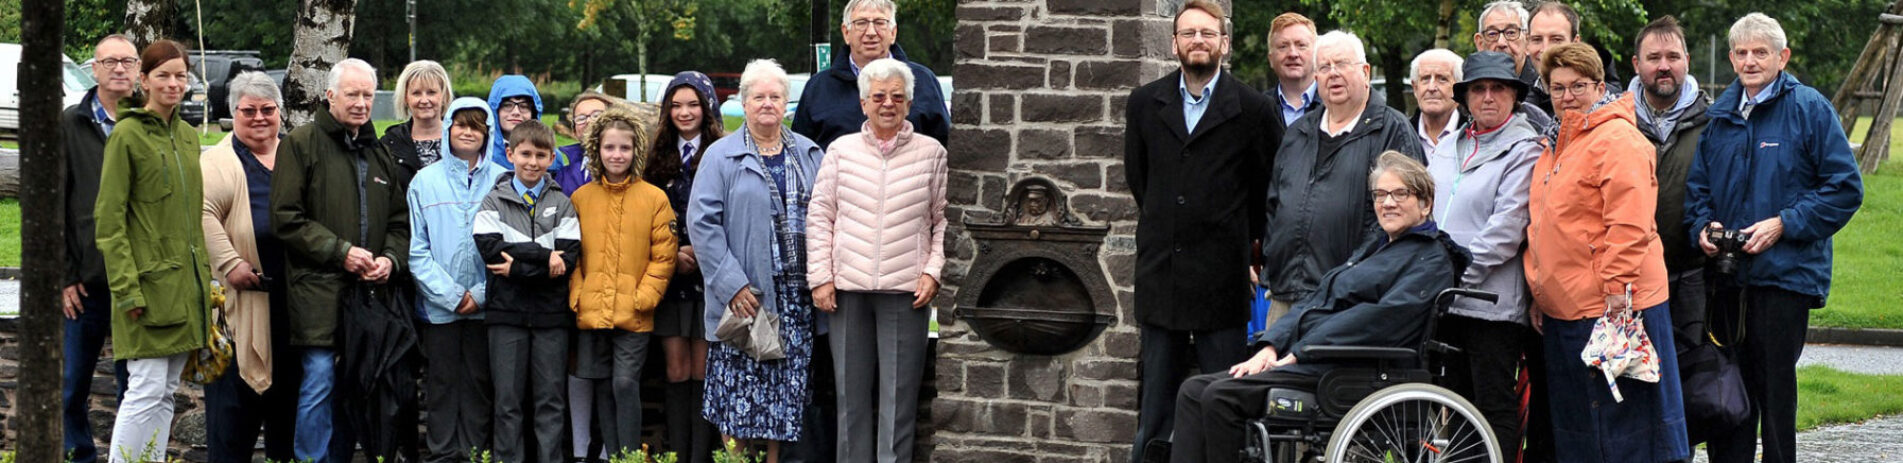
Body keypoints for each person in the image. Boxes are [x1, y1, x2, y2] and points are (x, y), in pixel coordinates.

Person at [1172, 151, 1468, 463]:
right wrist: (1271, 346)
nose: (1387, 202)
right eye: (1380, 194)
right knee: (1193, 390)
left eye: (1400, 193)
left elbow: (1379, 320)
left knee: (1221, 396)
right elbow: (1317, 300)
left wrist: (1302, 349)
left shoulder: (1431, 259)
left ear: (1425, 204)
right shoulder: (1376, 246)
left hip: (1352, 367)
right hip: (1317, 357)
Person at [1687, 13, 1865, 463]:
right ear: (1730, 59)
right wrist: (1703, 229)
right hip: (1727, 280)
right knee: (1729, 396)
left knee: (1775, 395)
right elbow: (1698, 191)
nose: (1750, 61)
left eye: (1760, 52)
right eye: (1742, 53)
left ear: (1782, 57)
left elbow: (1845, 188)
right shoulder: (1719, 116)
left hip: (1784, 279)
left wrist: (1784, 223)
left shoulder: (1809, 108)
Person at [1120, 1, 1278, 459]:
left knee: (1225, 396)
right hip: (1161, 273)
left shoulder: (1252, 108)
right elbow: (1141, 180)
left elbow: (1265, 191)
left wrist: (1244, 249)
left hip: (1221, 278)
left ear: (1224, 43)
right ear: (1174, 44)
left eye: (1208, 33)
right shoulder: (1146, 103)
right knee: (1156, 403)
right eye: (1188, 33)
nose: (1198, 41)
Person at [1525, 42, 1689, 463]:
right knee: (1584, 432)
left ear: (1600, 86)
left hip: (1614, 305)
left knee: (1626, 433)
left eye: (1578, 86)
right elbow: (1546, 224)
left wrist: (1617, 288)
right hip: (1568, 308)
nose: (1566, 96)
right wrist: (1541, 292)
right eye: (1557, 88)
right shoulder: (1556, 143)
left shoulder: (1617, 138)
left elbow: (1630, 222)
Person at [805, 58, 949, 463]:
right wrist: (820, 277)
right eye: (879, 96)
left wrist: (932, 272)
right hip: (846, 291)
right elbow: (820, 216)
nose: (889, 103)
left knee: (899, 399)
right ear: (864, 102)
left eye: (898, 97)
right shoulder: (840, 150)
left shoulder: (932, 154)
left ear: (909, 104)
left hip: (907, 293)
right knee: (850, 396)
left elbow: (944, 221)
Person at [272, 57, 411, 463]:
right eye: (352, 94)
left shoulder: (379, 152)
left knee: (358, 387)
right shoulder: (301, 143)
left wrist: (391, 260)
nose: (361, 103)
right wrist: (341, 252)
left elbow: (400, 224)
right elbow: (286, 219)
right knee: (318, 381)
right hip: (317, 293)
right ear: (330, 95)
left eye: (368, 95)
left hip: (370, 297)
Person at [689, 59, 826, 463]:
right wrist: (732, 284)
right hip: (744, 295)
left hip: (795, 298)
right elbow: (702, 225)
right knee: (737, 394)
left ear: (787, 103)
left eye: (775, 96)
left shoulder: (809, 153)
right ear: (743, 103)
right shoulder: (721, 156)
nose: (767, 103)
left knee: (784, 397)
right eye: (758, 97)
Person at [94, 39, 214, 463]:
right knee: (143, 389)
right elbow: (109, 222)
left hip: (183, 288)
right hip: (145, 290)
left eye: (181, 75)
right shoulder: (125, 136)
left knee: (166, 392)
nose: (173, 83)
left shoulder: (186, 135)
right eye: (163, 75)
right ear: (143, 80)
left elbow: (191, 220)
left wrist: (205, 286)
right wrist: (127, 290)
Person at [1260, 30, 1424, 335]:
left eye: (1341, 64)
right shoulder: (1299, 133)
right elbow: (1275, 204)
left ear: (1364, 72)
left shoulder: (1392, 131)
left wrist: (1351, 277)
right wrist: (1275, 262)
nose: (1332, 74)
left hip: (1349, 303)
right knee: (1274, 381)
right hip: (1285, 298)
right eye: (1324, 67)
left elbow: (1403, 219)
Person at [1425, 51, 1542, 459]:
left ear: (1513, 95)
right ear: (1466, 97)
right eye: (1478, 89)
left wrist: (1455, 276)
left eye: (1498, 88)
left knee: (1493, 406)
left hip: (1491, 305)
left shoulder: (1525, 148)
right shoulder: (1448, 145)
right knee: (1454, 405)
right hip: (1446, 301)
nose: (1488, 97)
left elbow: (1506, 230)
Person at [200, 71, 298, 463]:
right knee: (232, 422)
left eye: (268, 109)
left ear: (280, 112)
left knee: (287, 419)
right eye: (249, 110)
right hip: (238, 309)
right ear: (233, 113)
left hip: (293, 309)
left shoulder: (297, 155)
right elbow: (203, 214)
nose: (259, 117)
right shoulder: (218, 162)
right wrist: (231, 263)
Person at [571, 105, 677, 457]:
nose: (617, 155)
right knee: (602, 385)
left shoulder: (654, 198)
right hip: (592, 310)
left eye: (625, 148)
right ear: (597, 150)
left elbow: (664, 256)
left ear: (637, 151)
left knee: (624, 382)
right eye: (609, 147)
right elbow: (570, 255)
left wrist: (644, 296)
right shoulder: (581, 199)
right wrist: (578, 296)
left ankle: (629, 455)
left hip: (634, 313)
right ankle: (612, 453)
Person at [1626, 18, 1717, 424]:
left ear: (1687, 61)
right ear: (1636, 64)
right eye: (1654, 58)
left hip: (1690, 275)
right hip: (1626, 281)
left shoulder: (1714, 121)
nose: (1664, 66)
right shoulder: (1613, 121)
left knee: (1688, 389)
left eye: (1673, 57)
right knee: (1628, 387)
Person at [407, 96, 505, 463]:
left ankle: (476, 452)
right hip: (439, 309)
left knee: (480, 384)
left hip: (487, 306)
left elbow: (511, 245)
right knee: (442, 384)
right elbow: (417, 249)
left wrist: (479, 294)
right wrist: (450, 295)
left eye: (477, 126)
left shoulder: (502, 180)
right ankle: (442, 453)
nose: (468, 132)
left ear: (488, 133)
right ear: (447, 128)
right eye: (461, 124)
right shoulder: (424, 182)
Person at [475, 120, 580, 463]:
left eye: (540, 155)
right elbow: (491, 250)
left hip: (551, 317)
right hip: (506, 316)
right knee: (507, 402)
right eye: (525, 154)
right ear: (510, 154)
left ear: (552, 157)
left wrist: (518, 266)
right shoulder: (493, 202)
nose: (532, 162)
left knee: (550, 401)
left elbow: (568, 259)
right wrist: (543, 256)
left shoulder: (563, 204)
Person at [59, 33, 136, 463]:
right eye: (110, 62)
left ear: (139, 69)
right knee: (73, 385)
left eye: (128, 61)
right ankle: (80, 455)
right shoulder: (71, 124)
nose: (120, 69)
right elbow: (54, 206)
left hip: (135, 282)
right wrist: (64, 276)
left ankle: (128, 457)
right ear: (95, 69)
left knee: (135, 386)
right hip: (85, 283)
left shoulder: (150, 120)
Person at [648, 70, 726, 463]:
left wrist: (703, 250)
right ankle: (678, 454)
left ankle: (702, 454)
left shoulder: (723, 152)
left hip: (712, 276)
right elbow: (646, 213)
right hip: (669, 275)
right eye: (676, 105)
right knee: (676, 367)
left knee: (704, 367)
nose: (684, 112)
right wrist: (672, 252)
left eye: (693, 104)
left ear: (707, 106)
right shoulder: (655, 155)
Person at [793, 0, 951, 150]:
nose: (870, 32)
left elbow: (945, 145)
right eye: (861, 23)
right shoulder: (818, 88)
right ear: (846, 33)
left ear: (893, 32)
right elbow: (801, 153)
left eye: (880, 23)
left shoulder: (922, 81)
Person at [380, 60, 454, 186]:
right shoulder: (390, 143)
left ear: (444, 96)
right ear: (405, 98)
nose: (424, 100)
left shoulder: (460, 138)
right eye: (416, 93)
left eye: (431, 92)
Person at [1474, 1, 1553, 116]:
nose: (1501, 43)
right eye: (1492, 34)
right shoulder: (1471, 90)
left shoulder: (1545, 89)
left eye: (1511, 33)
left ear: (1527, 41)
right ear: (1480, 43)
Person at [1528, 1, 1623, 88]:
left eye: (1556, 40)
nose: (1545, 49)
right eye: (1537, 39)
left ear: (1575, 43)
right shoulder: (1518, 97)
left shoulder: (1608, 101)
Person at [551, 91, 617, 198]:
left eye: (597, 115)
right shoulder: (563, 175)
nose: (589, 121)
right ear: (574, 131)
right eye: (581, 118)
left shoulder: (625, 166)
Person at [487, 74, 557, 170]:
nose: (516, 112)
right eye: (508, 105)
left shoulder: (550, 156)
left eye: (523, 106)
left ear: (534, 112)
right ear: (495, 110)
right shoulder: (482, 155)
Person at [1266, 12, 1320, 128]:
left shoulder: (1335, 105)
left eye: (1301, 45)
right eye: (1283, 46)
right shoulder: (1257, 109)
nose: (1293, 54)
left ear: (1317, 55)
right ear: (1271, 59)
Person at [1410, 49, 1465, 153]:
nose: (1431, 88)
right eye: (1425, 79)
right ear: (1415, 88)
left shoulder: (1475, 135)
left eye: (1442, 79)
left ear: (1459, 89)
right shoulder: (1400, 134)